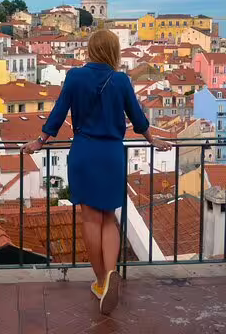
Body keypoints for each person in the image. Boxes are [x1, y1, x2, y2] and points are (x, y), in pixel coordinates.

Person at [22, 29, 172, 315]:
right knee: (108, 219)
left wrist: (40, 141)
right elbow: (138, 118)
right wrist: (153, 140)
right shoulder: (122, 80)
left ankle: (101, 281)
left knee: (90, 221)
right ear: (114, 51)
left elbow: (58, 112)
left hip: (85, 152)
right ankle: (112, 270)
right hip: (112, 154)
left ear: (91, 50)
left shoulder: (75, 77)